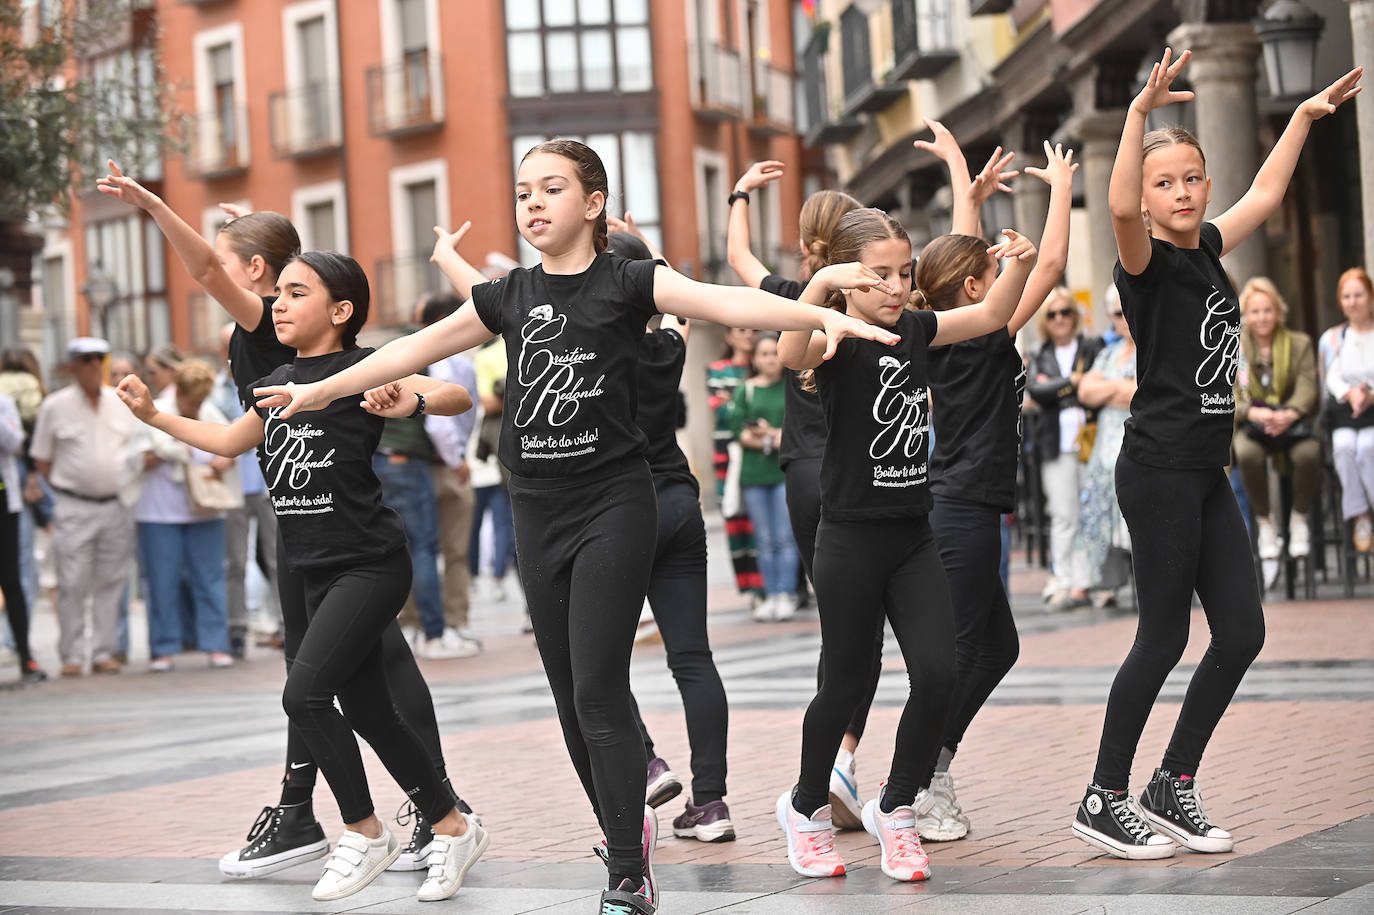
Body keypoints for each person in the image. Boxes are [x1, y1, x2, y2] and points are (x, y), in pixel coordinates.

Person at [254, 138, 897, 915]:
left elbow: (726, 301)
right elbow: (413, 348)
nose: (531, 203)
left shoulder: (628, 281)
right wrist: (320, 394)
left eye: (550, 189)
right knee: (567, 698)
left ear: (592, 204)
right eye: (523, 190)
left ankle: (628, 870)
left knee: (598, 690)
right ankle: (622, 832)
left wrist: (822, 312)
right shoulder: (508, 294)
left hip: (612, 504)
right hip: (536, 506)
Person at [95, 162, 479, 882]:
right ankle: (450, 823)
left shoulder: (350, 363)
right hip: (304, 556)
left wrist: (412, 404)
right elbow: (228, 440)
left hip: (363, 554)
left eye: (290, 291)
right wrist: (152, 415)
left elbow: (452, 394)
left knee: (307, 692)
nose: (273, 303)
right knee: (368, 703)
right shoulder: (275, 378)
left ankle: (362, 831)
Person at [1071, 49, 1361, 861]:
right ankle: (1103, 794)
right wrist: (1135, 117)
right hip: (1157, 469)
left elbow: (1265, 194)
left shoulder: (1206, 248)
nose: (1184, 192)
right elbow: (1122, 205)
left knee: (1240, 631)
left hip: (1205, 469)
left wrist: (1301, 118)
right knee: (1161, 638)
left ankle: (1174, 783)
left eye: (1193, 177)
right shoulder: (1147, 263)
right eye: (1169, 182)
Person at [777, 208, 1036, 883]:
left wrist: (1020, 266)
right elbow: (789, 351)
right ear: (848, 278)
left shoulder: (918, 327)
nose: (896, 286)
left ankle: (896, 808)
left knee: (941, 673)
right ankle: (804, 809)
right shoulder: (835, 335)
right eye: (879, 275)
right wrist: (823, 289)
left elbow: (986, 317)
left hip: (912, 532)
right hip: (850, 536)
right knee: (845, 683)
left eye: (902, 272)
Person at [922, 139, 1078, 840]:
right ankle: (917, 784)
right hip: (962, 511)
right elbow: (1046, 266)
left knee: (996, 648)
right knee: (952, 657)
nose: (995, 268)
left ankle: (931, 768)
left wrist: (966, 186)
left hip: (968, 506)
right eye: (989, 269)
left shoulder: (963, 328)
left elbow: (962, 261)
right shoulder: (983, 333)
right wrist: (1062, 189)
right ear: (978, 288)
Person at [725, 161, 878, 825]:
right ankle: (840, 756)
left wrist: (740, 194)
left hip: (799, 474)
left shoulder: (793, 292)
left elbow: (737, 257)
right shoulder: (873, 298)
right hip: (852, 471)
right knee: (863, 630)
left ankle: (826, 768)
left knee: (834, 626)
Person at [30, 336, 138, 677]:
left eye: (99, 359)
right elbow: (42, 460)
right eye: (86, 360)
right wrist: (67, 486)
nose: (94, 366)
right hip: (74, 504)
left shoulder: (120, 401)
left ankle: (105, 651)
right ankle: (72, 655)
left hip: (116, 504)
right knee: (72, 582)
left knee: (111, 580)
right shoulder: (55, 406)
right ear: (73, 367)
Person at [131, 359, 237, 671]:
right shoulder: (154, 409)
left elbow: (231, 445)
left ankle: (216, 643)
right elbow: (136, 457)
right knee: (162, 581)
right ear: (179, 392)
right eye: (192, 401)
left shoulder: (210, 412)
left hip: (204, 510)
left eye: (201, 401)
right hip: (159, 511)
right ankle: (163, 647)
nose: (196, 406)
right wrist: (153, 457)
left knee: (210, 578)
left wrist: (224, 461)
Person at [1233, 277, 1320, 561]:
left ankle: (1299, 518)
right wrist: (1252, 412)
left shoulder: (1299, 343)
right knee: (1246, 453)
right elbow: (1229, 393)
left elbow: (1308, 385)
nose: (1262, 318)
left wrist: (1289, 413)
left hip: (1293, 426)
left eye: (1267, 310)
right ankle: (1265, 521)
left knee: (1309, 454)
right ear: (1245, 314)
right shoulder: (1236, 350)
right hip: (1254, 427)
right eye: (1255, 311)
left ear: (1278, 311)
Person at [1026, 289, 1103, 610]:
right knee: (1062, 515)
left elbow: (1095, 386)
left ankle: (1090, 582)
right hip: (1054, 445)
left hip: (1092, 441)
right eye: (1052, 314)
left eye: (1065, 312)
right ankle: (1064, 578)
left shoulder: (1092, 347)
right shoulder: (1039, 352)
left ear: (1075, 315)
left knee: (1092, 513)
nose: (1060, 319)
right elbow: (1035, 390)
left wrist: (1057, 388)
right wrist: (1074, 382)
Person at [211, 321, 281, 657]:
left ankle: (286, 624)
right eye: (229, 345)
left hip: (268, 484)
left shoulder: (267, 379)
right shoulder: (214, 392)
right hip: (233, 488)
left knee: (277, 557)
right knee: (234, 562)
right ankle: (236, 628)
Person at [417, 293, 482, 656]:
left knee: (418, 549)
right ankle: (454, 623)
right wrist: (457, 459)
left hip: (419, 466)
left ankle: (415, 624)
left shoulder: (417, 357)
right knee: (454, 551)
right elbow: (441, 424)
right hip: (446, 465)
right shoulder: (455, 363)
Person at [1071, 286, 1138, 607]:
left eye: (1127, 312)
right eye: (1117, 315)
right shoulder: (1109, 353)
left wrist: (1107, 390)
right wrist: (1119, 389)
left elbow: (1144, 393)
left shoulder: (1152, 348)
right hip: (1104, 448)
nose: (1123, 321)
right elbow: (1085, 391)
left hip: (1136, 443)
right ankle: (1104, 582)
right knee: (1097, 489)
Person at [726, 333, 797, 620]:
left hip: (782, 473)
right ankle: (770, 594)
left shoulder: (791, 387)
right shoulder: (746, 390)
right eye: (764, 354)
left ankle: (786, 593)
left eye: (773, 353)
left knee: (784, 536)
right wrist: (772, 438)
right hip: (753, 475)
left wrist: (765, 435)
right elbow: (737, 432)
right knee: (764, 539)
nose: (770, 359)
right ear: (755, 359)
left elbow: (794, 432)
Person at [708, 326, 765, 604]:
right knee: (736, 519)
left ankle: (774, 584)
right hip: (727, 455)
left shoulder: (763, 364)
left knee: (764, 520)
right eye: (741, 330)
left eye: (753, 330)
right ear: (728, 336)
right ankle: (752, 588)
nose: (748, 335)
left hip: (760, 454)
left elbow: (759, 407)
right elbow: (720, 410)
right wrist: (743, 409)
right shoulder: (718, 369)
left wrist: (735, 403)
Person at [1325, 267, 1374, 553]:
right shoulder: (1333, 338)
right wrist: (1349, 393)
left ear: (1369, 297)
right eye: (1347, 296)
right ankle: (1361, 516)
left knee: (1368, 448)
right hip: (1346, 415)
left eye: (1359, 294)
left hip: (1371, 415)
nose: (1353, 301)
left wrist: (1369, 395)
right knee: (1344, 448)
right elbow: (1330, 376)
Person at [1, 390, 46, 682]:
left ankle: (26, 656)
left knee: (11, 579)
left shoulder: (3, 401)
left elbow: (15, 442)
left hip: (4, 502)